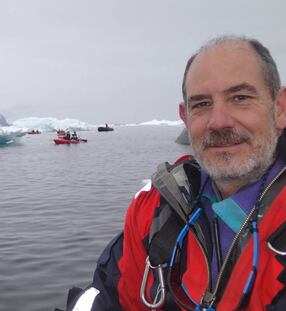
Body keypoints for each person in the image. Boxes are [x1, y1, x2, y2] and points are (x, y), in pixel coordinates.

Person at [58, 35, 286, 311]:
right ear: (185, 116)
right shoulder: (156, 210)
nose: (219, 121)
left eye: (240, 98)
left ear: (280, 108)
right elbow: (110, 297)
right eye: (201, 104)